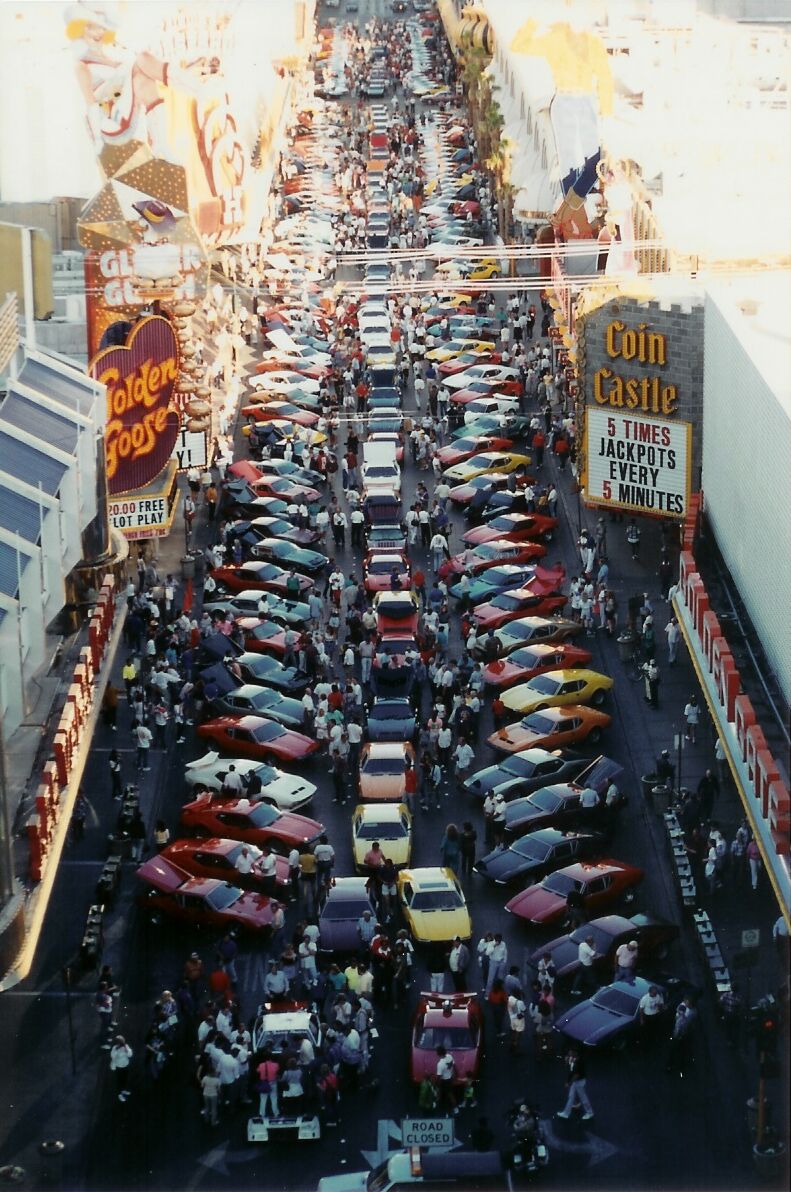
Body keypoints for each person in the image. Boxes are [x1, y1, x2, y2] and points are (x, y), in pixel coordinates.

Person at [557, 1047, 594, 1119]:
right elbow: (570, 1070)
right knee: (571, 1096)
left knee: (583, 1098)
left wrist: (569, 1083)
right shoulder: (572, 1059)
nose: (569, 1053)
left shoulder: (579, 1062)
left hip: (579, 1082)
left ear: (575, 1053)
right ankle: (566, 1113)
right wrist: (567, 1061)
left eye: (570, 1052)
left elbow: (576, 1075)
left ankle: (590, 1112)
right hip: (575, 1081)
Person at [110, 1035, 133, 1102]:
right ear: (118, 1042)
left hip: (125, 1066)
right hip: (119, 1067)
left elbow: (130, 1055)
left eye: (123, 1041)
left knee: (125, 1080)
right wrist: (116, 1050)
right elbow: (112, 1056)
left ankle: (123, 1090)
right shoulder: (115, 1048)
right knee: (119, 1081)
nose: (123, 1042)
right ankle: (119, 1094)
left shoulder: (126, 1046)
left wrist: (127, 1050)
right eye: (122, 1041)